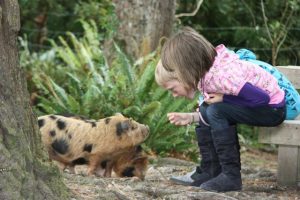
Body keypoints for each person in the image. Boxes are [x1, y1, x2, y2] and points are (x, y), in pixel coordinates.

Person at [155, 27, 286, 192]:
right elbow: (209, 112)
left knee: (215, 111)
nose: (174, 95)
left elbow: (262, 99)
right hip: (260, 106)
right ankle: (210, 170)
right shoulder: (208, 75)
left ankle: (231, 176)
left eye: (173, 89)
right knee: (207, 108)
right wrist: (190, 117)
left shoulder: (222, 77)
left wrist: (225, 98)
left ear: (185, 70)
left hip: (272, 109)